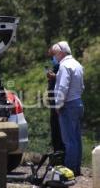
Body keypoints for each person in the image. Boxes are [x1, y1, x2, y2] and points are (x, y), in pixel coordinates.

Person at [52, 41, 84, 176]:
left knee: (68, 140)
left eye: (55, 54)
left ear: (61, 52)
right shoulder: (77, 64)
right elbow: (82, 86)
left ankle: (69, 170)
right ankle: (76, 167)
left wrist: (58, 105)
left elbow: (62, 87)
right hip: (78, 102)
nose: (54, 56)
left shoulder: (64, 66)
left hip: (68, 104)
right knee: (76, 138)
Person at [46, 47, 65, 154]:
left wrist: (54, 77)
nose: (52, 58)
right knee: (56, 130)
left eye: (53, 55)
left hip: (58, 103)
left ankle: (60, 155)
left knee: (58, 131)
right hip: (54, 102)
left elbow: (63, 85)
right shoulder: (56, 66)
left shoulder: (61, 67)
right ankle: (57, 153)